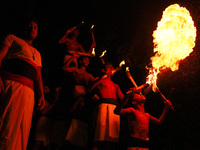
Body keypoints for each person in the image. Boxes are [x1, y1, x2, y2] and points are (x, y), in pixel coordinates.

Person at [0, 18, 45, 150]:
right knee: (7, 123)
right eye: (29, 26)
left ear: (37, 32)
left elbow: (38, 77)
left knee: (23, 128)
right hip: (12, 85)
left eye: (35, 27)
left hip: (29, 92)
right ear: (24, 28)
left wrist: (41, 95)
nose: (32, 29)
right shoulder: (12, 38)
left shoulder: (37, 53)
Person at [114, 86, 173, 150]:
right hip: (135, 142)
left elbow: (159, 122)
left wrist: (166, 108)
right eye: (137, 95)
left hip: (145, 142)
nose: (140, 94)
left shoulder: (147, 115)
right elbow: (116, 111)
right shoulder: (132, 111)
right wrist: (127, 96)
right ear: (134, 102)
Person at [62, 53, 95, 149]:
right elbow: (64, 68)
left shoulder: (89, 75)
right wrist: (73, 56)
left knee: (83, 108)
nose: (87, 61)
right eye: (85, 59)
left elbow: (94, 85)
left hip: (86, 93)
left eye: (88, 60)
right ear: (80, 61)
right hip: (76, 91)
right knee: (76, 107)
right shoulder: (76, 70)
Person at [88, 62, 124, 150]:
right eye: (109, 67)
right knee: (99, 136)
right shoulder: (99, 79)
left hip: (115, 109)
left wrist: (131, 94)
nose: (111, 69)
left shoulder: (115, 85)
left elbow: (123, 100)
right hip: (103, 106)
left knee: (111, 139)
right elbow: (89, 89)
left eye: (112, 67)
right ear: (103, 70)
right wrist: (101, 77)